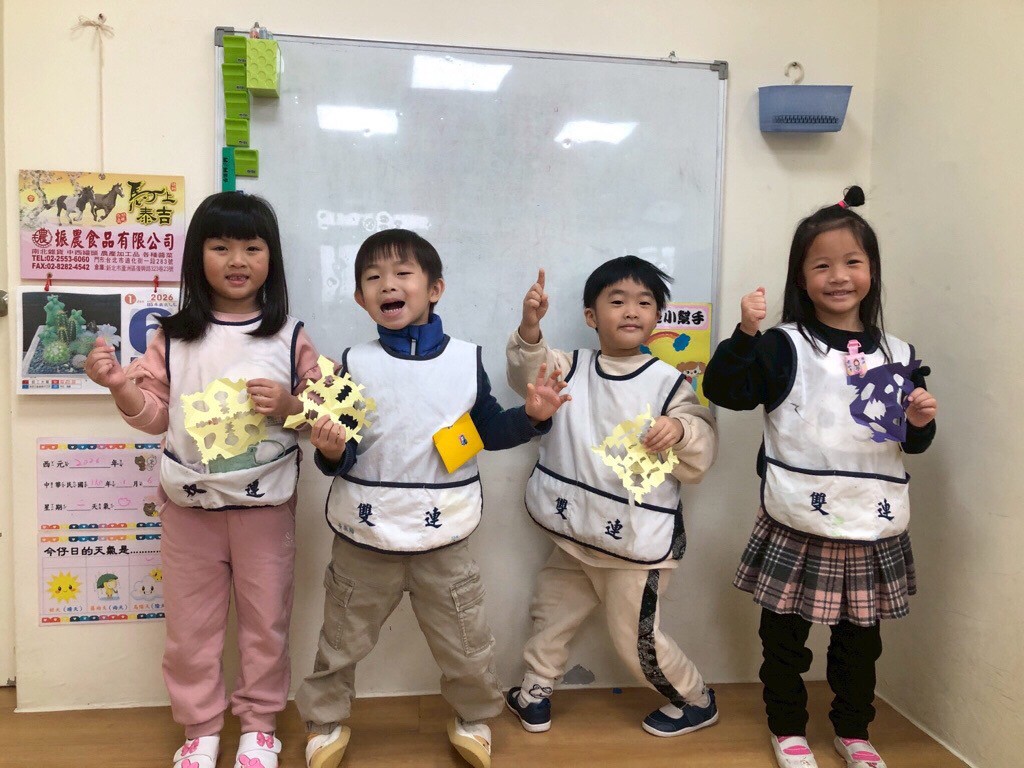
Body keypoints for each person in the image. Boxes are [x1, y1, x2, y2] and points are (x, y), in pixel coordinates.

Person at [296, 229, 569, 768]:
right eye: (373, 277)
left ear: (435, 288)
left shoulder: (466, 359)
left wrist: (532, 417)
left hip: (444, 536)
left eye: (403, 274)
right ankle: (324, 721)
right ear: (360, 298)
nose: (387, 285)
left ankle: (473, 717)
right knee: (340, 640)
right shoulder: (352, 363)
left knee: (466, 642)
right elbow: (345, 452)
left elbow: (488, 430)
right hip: (364, 536)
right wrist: (329, 451)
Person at [702, 187, 938, 768]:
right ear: (801, 278)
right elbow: (724, 391)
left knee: (861, 645)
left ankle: (854, 732)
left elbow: (909, 442)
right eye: (822, 265)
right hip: (798, 518)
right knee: (784, 638)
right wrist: (744, 334)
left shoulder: (899, 352)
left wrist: (919, 422)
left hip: (869, 517)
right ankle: (787, 729)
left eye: (852, 262)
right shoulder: (782, 345)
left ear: (872, 271)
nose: (839, 277)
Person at [86, 191, 321, 768]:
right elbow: (155, 417)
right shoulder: (172, 336)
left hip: (266, 508)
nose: (237, 259)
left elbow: (324, 417)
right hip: (188, 508)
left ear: (272, 258)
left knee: (266, 623)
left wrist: (290, 404)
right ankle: (200, 729)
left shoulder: (289, 335)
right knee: (191, 627)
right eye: (220, 247)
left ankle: (259, 727)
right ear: (198, 256)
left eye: (252, 247)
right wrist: (120, 387)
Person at [504, 257, 720, 739]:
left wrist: (680, 429)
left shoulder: (668, 382)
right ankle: (534, 690)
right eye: (617, 300)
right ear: (591, 315)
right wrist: (530, 329)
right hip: (574, 530)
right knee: (550, 612)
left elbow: (702, 446)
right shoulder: (572, 366)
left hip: (633, 543)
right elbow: (529, 376)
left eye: (644, 302)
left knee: (634, 639)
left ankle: (695, 698)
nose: (631, 310)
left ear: (658, 316)